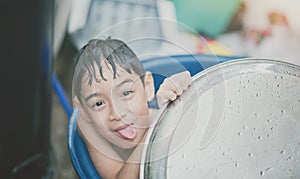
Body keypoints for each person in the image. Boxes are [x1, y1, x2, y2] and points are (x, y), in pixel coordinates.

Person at [72, 38, 192, 179]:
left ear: (147, 87)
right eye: (98, 104)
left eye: (126, 93)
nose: (117, 114)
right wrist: (155, 129)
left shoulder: (169, 119)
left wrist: (187, 98)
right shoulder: (88, 127)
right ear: (84, 110)